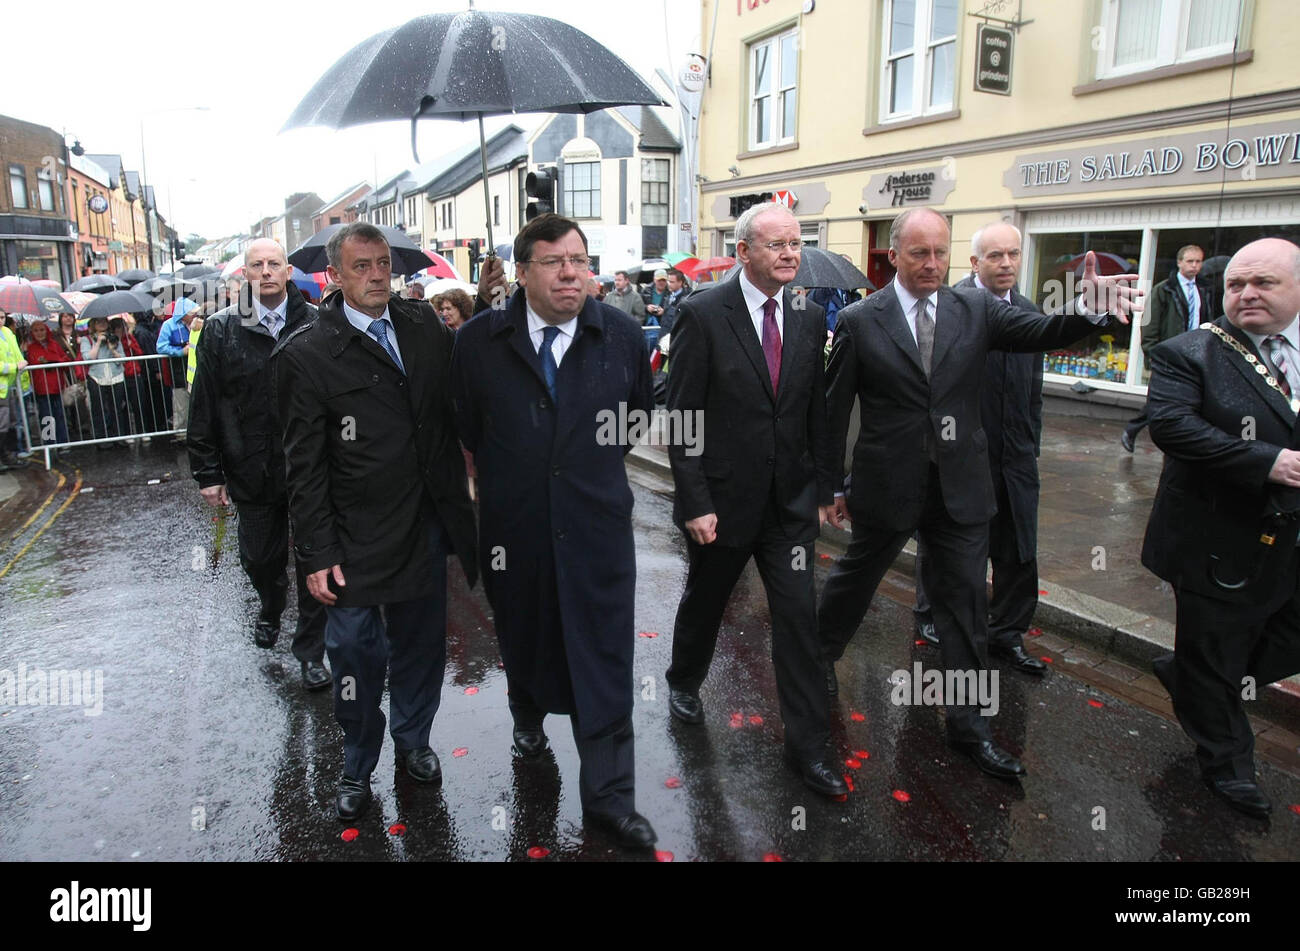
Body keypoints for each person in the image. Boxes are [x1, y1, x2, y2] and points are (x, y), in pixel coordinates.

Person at [817, 207, 1140, 779]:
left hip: (962, 488)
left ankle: (969, 729)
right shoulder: (862, 320)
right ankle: (815, 662)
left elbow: (1039, 333)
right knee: (855, 581)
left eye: (941, 252)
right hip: (887, 484)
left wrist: (1087, 310)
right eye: (919, 253)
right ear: (895, 256)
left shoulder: (976, 308)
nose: (933, 264)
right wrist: (830, 484)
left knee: (966, 609)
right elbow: (834, 410)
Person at [451, 214, 657, 850]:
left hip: (596, 531)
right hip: (516, 532)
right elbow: (466, 425)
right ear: (521, 271)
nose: (571, 272)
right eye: (553, 261)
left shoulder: (620, 336)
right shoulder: (481, 342)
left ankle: (610, 799)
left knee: (604, 658)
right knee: (526, 635)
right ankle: (527, 716)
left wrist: (577, 472)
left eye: (580, 260)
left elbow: (634, 417)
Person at [274, 222, 478, 821]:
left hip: (423, 525)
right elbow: (303, 467)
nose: (377, 275)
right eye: (361, 266)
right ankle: (357, 760)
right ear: (333, 276)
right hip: (353, 538)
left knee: (421, 646)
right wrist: (314, 553)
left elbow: (454, 406)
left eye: (384, 263)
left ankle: (414, 740)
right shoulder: (307, 352)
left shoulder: (423, 328)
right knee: (356, 658)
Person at [663, 202, 845, 798]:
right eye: (777, 245)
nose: (791, 254)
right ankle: (685, 679)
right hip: (723, 501)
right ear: (744, 252)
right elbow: (683, 415)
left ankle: (809, 749)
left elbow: (816, 408)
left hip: (789, 506)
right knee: (707, 599)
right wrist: (694, 500)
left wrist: (824, 486)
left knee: (797, 621)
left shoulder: (810, 313)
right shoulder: (703, 314)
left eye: (796, 243)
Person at [1142, 237, 1300, 819]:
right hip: (1214, 540)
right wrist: (1267, 462)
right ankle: (1229, 766)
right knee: (1215, 651)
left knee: (1281, 638)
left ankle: (1190, 677)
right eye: (1236, 285)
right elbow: (1173, 427)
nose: (1247, 294)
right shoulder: (1192, 352)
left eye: (1264, 283)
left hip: (1290, 539)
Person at [189, 238, 330, 693]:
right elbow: (205, 403)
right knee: (259, 559)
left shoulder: (316, 323)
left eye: (274, 264)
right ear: (244, 274)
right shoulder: (220, 329)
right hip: (249, 467)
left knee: (315, 558)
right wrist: (208, 473)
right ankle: (271, 605)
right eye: (257, 265)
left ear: (287, 272)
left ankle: (311, 651)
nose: (266, 271)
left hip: (309, 468)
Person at [912, 222, 1048, 676]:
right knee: (950, 548)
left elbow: (1034, 390)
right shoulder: (951, 311)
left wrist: (1032, 443)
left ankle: (1007, 634)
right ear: (974, 263)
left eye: (1012, 254)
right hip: (962, 457)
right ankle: (932, 616)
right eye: (995, 256)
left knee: (1018, 550)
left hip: (1015, 457)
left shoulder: (1028, 312)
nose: (1006, 263)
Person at [1122, 244, 1211, 452]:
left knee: (1184, 397)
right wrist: (1153, 353)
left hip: (1196, 352)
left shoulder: (1204, 289)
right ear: (1179, 263)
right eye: (1190, 261)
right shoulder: (1164, 289)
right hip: (1171, 353)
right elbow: (1149, 324)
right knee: (1163, 397)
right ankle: (1133, 429)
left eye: (1198, 261)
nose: (1195, 266)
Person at [80, 316, 128, 444]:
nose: (101, 324)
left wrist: (112, 348)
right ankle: (102, 439)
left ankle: (119, 437)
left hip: (115, 375)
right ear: (93, 324)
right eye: (98, 321)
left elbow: (122, 359)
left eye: (104, 321)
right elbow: (88, 359)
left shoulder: (114, 338)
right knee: (99, 408)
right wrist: (97, 343)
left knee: (117, 408)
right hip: (97, 377)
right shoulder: (86, 340)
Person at [156, 297, 198, 440]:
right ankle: (181, 435)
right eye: (192, 312)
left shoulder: (197, 324)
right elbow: (161, 347)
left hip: (196, 373)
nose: (195, 314)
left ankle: (198, 433)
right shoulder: (169, 326)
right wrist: (180, 351)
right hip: (179, 372)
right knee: (181, 405)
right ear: (184, 313)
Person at [24, 319, 69, 447]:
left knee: (59, 415)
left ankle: (62, 442)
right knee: (46, 417)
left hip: (56, 386)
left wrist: (54, 361)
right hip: (42, 388)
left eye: (42, 330)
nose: (39, 333)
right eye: (36, 330)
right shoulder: (31, 348)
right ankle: (49, 444)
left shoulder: (54, 344)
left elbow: (65, 360)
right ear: (32, 333)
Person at [0, 311, 28, 470]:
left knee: (11, 422)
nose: (0, 321)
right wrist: (14, 367)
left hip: (9, 386)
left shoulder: (8, 332)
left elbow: (17, 355)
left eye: (2, 317)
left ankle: (8, 456)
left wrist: (21, 364)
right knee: (2, 425)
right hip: (2, 388)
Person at [659, 269, 688, 336]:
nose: (668, 284)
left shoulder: (685, 299)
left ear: (680, 282)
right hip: (664, 336)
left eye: (672, 282)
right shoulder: (668, 296)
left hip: (675, 337)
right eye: (668, 281)